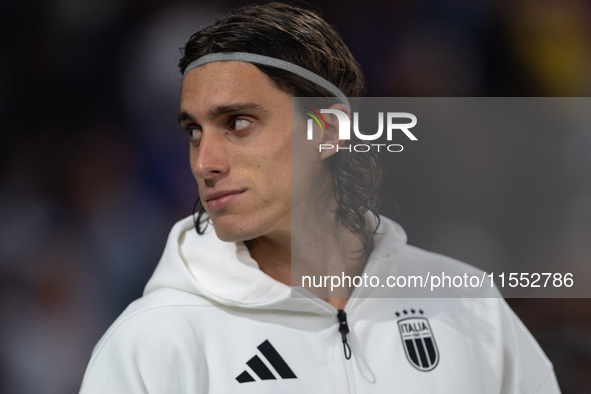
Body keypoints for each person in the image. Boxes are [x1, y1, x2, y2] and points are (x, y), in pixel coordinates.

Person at [79, 3, 560, 393]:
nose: (205, 161)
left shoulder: (469, 304)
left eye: (238, 124)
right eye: (193, 131)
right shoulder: (152, 343)